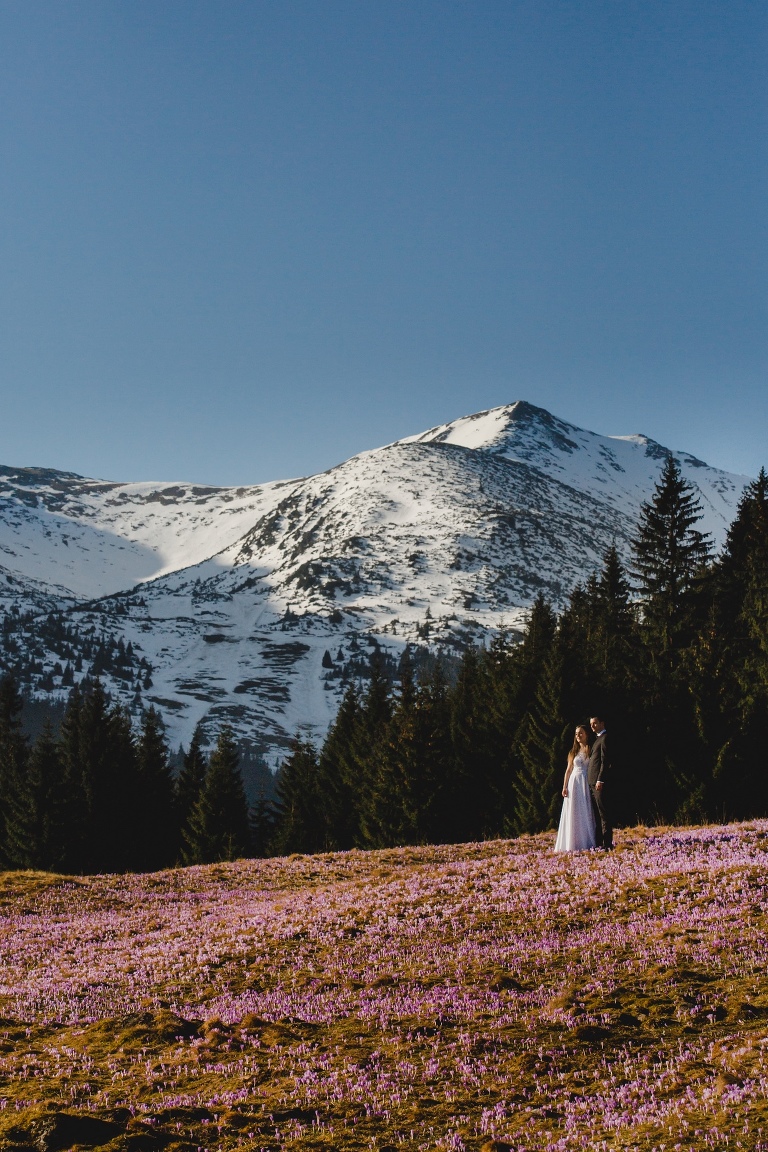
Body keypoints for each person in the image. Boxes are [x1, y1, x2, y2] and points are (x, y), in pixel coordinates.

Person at [554, 724, 597, 852]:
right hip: (574, 782)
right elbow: (568, 770)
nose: (578, 736)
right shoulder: (573, 752)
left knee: (585, 808)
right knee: (574, 810)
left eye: (581, 733)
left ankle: (587, 839)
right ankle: (573, 842)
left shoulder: (591, 749)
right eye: (577, 733)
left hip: (585, 780)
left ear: (586, 734)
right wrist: (564, 786)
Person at [588, 714, 613, 849]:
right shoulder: (596, 739)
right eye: (591, 724)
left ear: (602, 723)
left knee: (603, 813)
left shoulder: (605, 738)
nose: (592, 726)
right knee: (596, 815)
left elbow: (605, 761)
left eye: (595, 723)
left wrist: (600, 779)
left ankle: (607, 844)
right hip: (592, 782)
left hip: (598, 782)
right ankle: (599, 843)